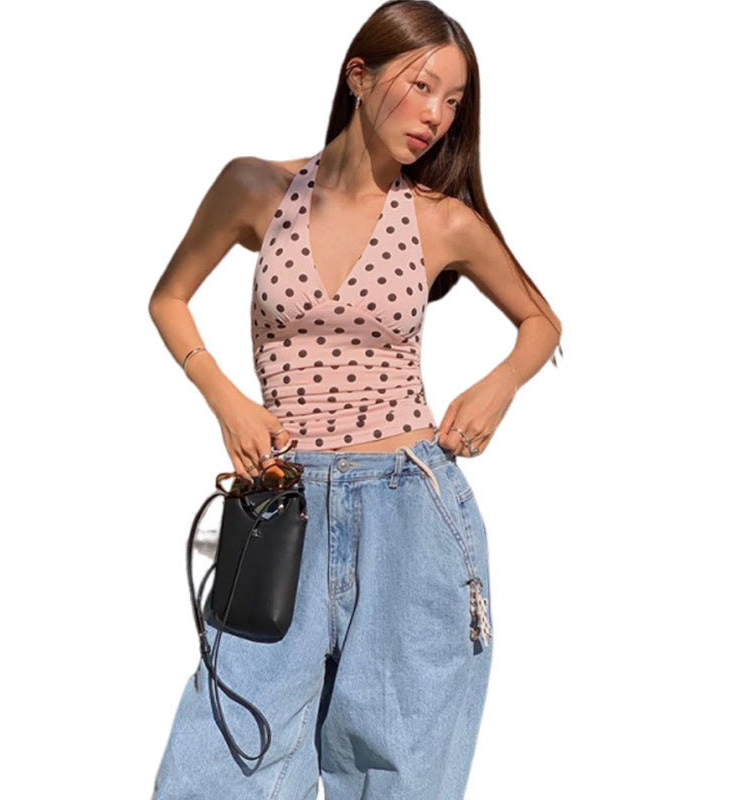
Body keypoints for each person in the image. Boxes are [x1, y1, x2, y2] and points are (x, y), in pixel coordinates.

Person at [147, 1, 562, 797]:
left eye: (454, 101)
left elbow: (541, 322)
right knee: (220, 766)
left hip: (410, 510)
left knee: (400, 774)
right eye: (422, 86)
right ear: (359, 76)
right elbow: (169, 298)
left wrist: (501, 384)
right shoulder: (255, 186)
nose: (437, 116)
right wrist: (224, 396)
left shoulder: (442, 221)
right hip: (281, 508)